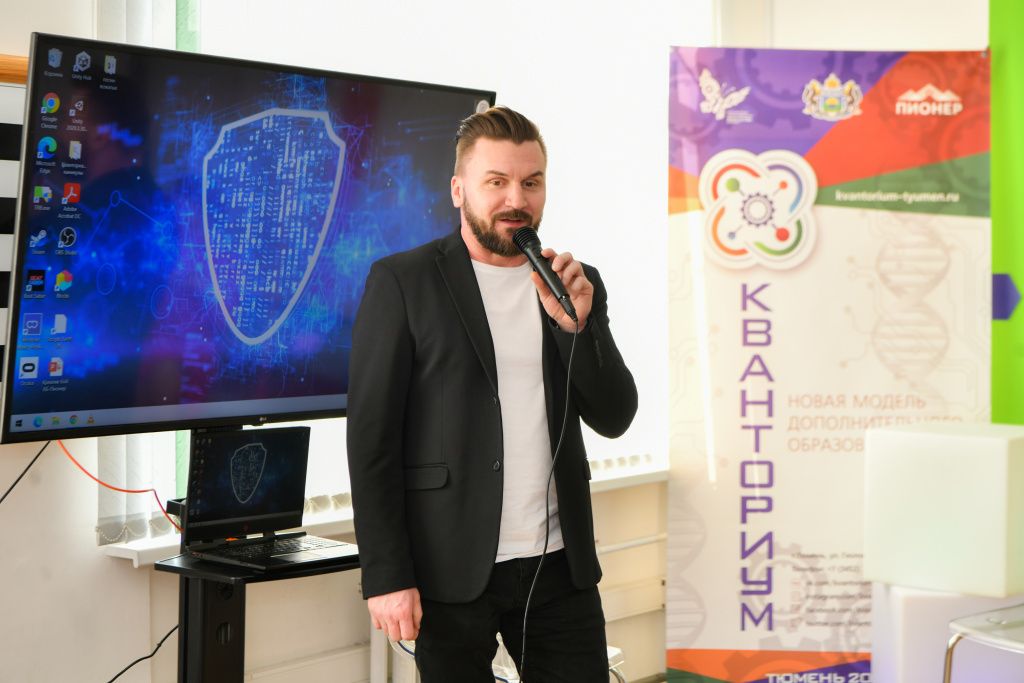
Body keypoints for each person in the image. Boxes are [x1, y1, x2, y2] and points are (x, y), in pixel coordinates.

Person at [346, 105, 638, 682]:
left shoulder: (575, 283)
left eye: (531, 182)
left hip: (560, 566)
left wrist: (577, 328)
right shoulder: (403, 282)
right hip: (448, 568)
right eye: (496, 182)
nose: (515, 199)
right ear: (459, 190)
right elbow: (372, 440)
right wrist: (386, 575)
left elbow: (615, 416)